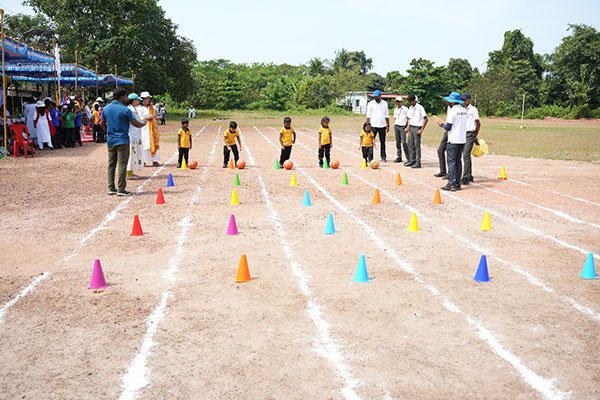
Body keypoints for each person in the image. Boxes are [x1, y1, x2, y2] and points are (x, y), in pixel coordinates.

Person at [101, 88, 147, 196]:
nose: (126, 98)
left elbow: (102, 123)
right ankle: (121, 189)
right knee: (122, 164)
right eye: (125, 96)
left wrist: (108, 132)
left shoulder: (106, 108)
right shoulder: (125, 110)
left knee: (111, 164)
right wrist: (143, 123)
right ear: (121, 97)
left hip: (111, 140)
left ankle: (111, 188)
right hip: (123, 140)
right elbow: (135, 123)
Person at [438, 92, 467, 192]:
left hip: (453, 139)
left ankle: (451, 183)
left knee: (451, 162)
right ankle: (457, 183)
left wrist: (442, 125)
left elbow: (448, 127)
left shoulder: (452, 111)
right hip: (462, 139)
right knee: (458, 161)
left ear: (452, 101)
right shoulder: (464, 110)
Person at [461, 93, 481, 185]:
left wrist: (475, 136)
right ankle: (469, 175)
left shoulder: (473, 109)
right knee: (465, 155)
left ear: (469, 100)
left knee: (466, 154)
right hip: (464, 133)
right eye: (462, 100)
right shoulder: (463, 110)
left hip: (470, 133)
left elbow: (478, 123)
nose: (463, 102)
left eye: (464, 100)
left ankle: (466, 177)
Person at [366, 89, 389, 162]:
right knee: (371, 142)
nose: (375, 98)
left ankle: (383, 156)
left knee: (382, 142)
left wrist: (388, 124)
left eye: (377, 96)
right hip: (373, 125)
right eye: (374, 96)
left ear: (380, 96)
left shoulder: (385, 103)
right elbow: (368, 115)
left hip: (382, 125)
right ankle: (370, 157)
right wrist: (367, 125)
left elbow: (386, 115)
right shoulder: (370, 104)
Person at [138, 92, 160, 166]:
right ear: (142, 100)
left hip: (153, 129)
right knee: (145, 144)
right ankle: (143, 160)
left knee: (154, 143)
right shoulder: (139, 108)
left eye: (149, 98)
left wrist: (156, 117)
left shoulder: (152, 107)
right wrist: (146, 117)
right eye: (146, 98)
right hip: (144, 129)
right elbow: (138, 118)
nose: (148, 100)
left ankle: (155, 160)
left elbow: (155, 116)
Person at [405, 94, 428, 168]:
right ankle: (412, 160)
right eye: (409, 101)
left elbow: (426, 119)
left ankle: (418, 162)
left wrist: (421, 130)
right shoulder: (410, 108)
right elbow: (409, 118)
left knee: (417, 145)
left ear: (414, 100)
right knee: (411, 144)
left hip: (417, 127)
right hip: (411, 127)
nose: (410, 102)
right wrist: (408, 127)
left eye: (411, 101)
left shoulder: (420, 108)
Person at [126, 93, 144, 179]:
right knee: (131, 153)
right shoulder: (130, 110)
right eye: (137, 100)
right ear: (133, 100)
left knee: (134, 153)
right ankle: (129, 172)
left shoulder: (134, 109)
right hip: (131, 134)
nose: (139, 102)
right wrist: (142, 123)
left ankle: (131, 171)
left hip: (135, 133)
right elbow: (134, 122)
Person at [435, 100, 451, 178]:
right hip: (447, 132)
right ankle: (443, 171)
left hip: (453, 134)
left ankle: (451, 173)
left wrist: (443, 125)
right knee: (440, 151)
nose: (446, 101)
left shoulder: (456, 110)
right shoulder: (449, 108)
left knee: (450, 154)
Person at [393, 96, 409, 163]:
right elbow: (395, 118)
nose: (398, 103)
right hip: (397, 125)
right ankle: (399, 156)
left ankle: (408, 157)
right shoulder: (395, 109)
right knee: (397, 142)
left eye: (399, 101)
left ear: (402, 102)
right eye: (397, 101)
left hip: (403, 126)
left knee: (404, 142)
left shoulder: (405, 109)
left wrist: (407, 127)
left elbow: (408, 118)